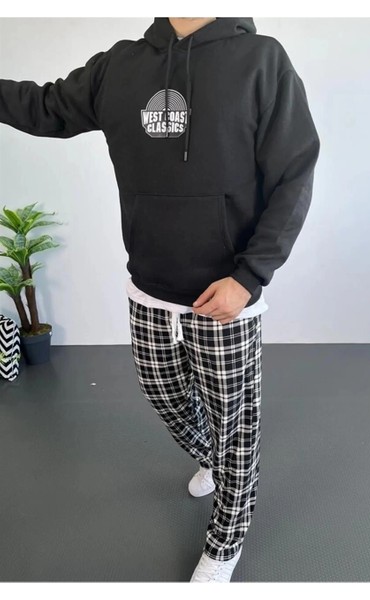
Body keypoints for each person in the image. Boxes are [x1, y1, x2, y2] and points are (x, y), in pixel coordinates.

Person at [0, 17, 320, 582]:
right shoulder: (120, 64)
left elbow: (294, 174)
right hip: (148, 284)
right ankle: (216, 462)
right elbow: (45, 107)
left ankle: (225, 541)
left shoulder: (261, 60)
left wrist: (250, 276)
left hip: (226, 293)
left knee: (234, 421)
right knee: (164, 394)